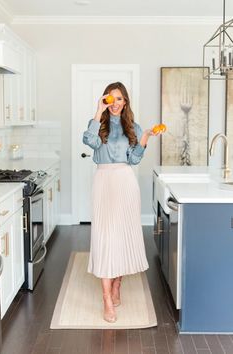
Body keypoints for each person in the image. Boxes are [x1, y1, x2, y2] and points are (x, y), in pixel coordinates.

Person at [83, 82, 156, 323]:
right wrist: (97, 110)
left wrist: (144, 138)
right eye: (111, 99)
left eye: (120, 99)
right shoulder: (98, 124)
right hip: (103, 182)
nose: (115, 104)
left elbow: (134, 160)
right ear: (105, 100)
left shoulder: (133, 127)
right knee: (105, 238)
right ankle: (106, 299)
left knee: (124, 237)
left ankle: (117, 284)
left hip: (125, 182)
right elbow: (89, 141)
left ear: (125, 102)